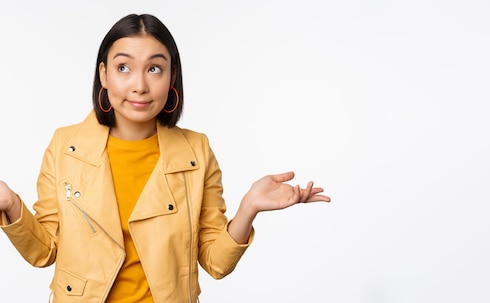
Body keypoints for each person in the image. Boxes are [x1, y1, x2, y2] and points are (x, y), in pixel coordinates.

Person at [0, 13, 330, 303]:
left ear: (172, 76)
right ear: (103, 74)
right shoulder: (65, 146)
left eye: (155, 68)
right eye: (123, 67)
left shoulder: (196, 152)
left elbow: (215, 263)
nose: (139, 85)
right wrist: (12, 205)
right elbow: (44, 251)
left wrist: (248, 209)